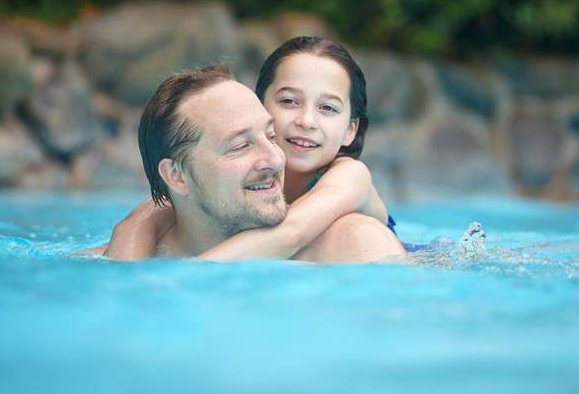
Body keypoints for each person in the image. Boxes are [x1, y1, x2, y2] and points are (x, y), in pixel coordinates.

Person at [106, 37, 400, 261]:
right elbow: (149, 214)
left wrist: (190, 276)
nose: (306, 121)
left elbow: (290, 233)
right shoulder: (231, 182)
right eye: (289, 101)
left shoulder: (349, 175)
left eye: (327, 108)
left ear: (350, 129)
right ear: (258, 105)